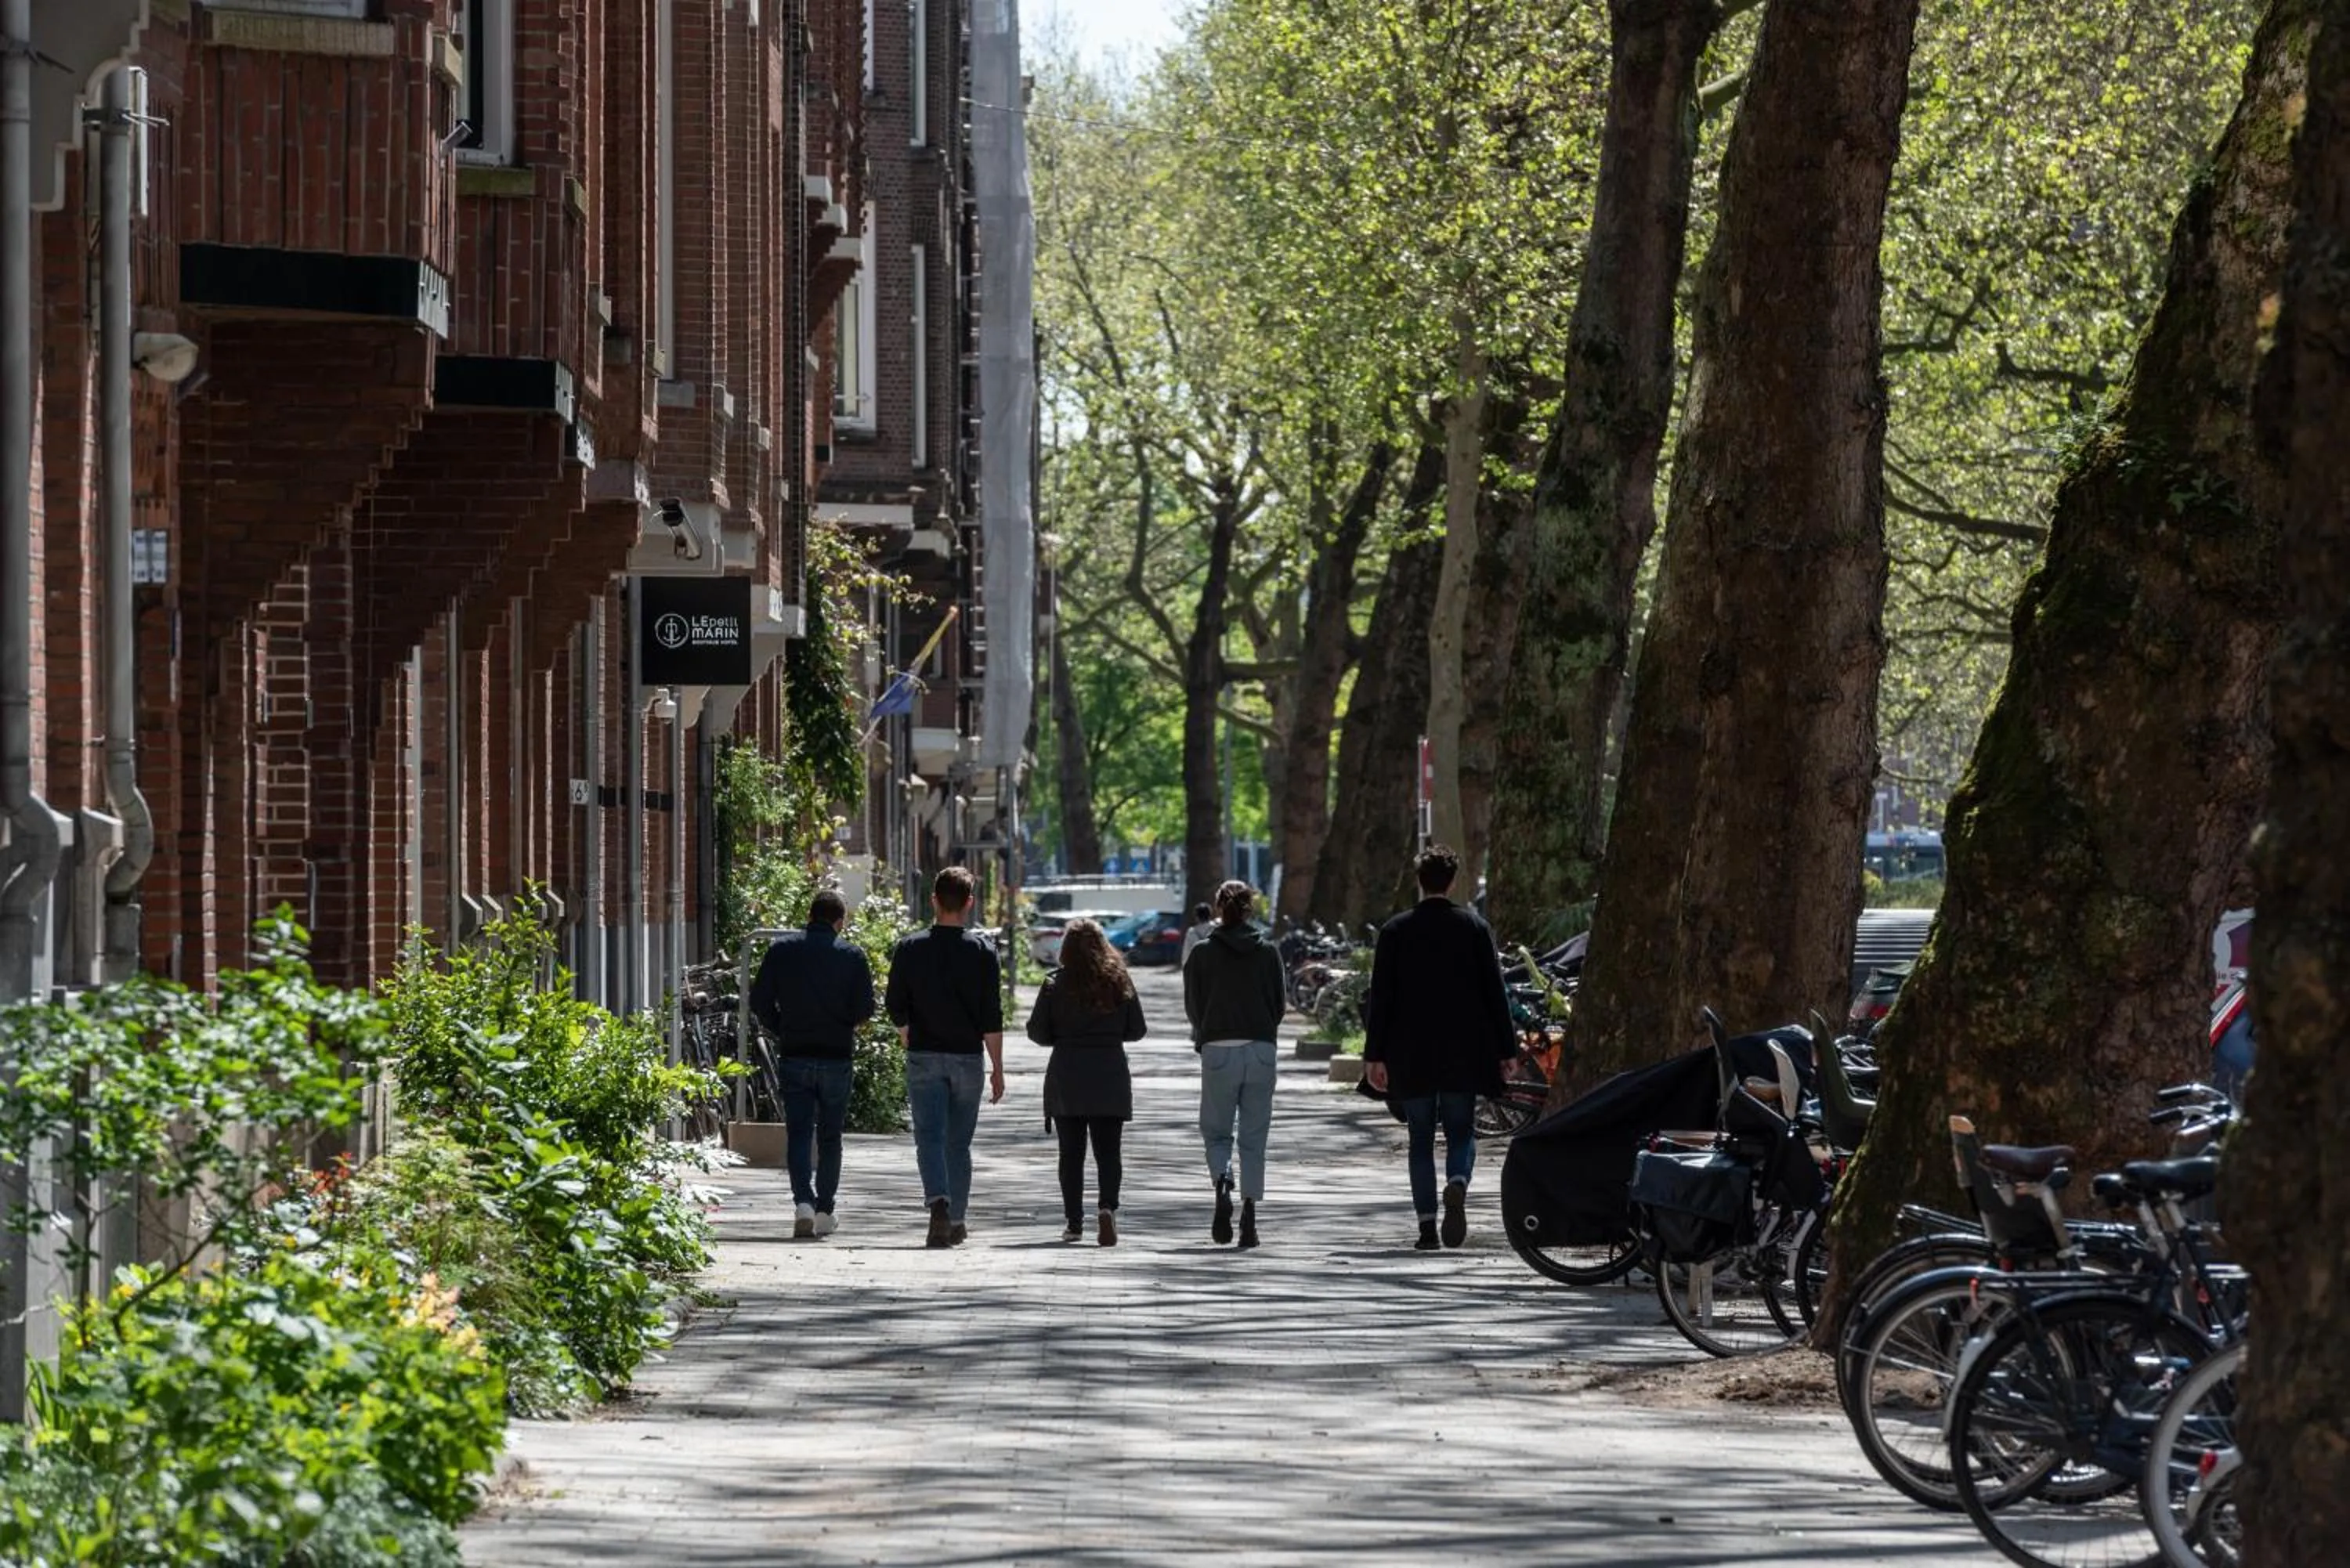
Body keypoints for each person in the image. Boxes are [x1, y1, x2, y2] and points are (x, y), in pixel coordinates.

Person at [1362, 844, 1517, 1251]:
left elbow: (1381, 999)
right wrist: (1507, 1050)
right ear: (1452, 882)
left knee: (1420, 1138)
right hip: (1463, 1050)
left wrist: (1374, 1055)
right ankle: (1458, 1182)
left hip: (1410, 1052)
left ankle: (1427, 1227)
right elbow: (1495, 993)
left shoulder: (1395, 931)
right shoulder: (1475, 928)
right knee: (1461, 1129)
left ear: (1420, 880)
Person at [884, 866, 1007, 1248]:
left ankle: (938, 1202)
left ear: (934, 900)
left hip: (924, 1054)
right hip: (967, 1058)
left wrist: (905, 1029)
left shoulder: (910, 947)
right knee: (958, 1143)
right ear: (969, 902)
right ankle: (956, 1220)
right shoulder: (983, 951)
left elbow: (894, 1001)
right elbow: (991, 1015)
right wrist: (998, 1068)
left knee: (929, 1138)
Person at [747, 888, 877, 1241]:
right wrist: (843, 1024)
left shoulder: (782, 950)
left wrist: (782, 1028)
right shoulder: (853, 956)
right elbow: (866, 1008)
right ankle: (824, 1210)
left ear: (809, 916)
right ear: (840, 922)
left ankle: (803, 1203)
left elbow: (760, 1001)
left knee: (800, 1133)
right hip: (836, 1055)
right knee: (831, 1136)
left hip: (796, 1052)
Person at [1025, 919, 1148, 1245]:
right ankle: (1107, 1208)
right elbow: (1137, 1029)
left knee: (1071, 1154)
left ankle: (1074, 1223)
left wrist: (1063, 1035)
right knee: (1109, 1152)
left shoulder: (1054, 984)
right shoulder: (1118, 981)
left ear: (1066, 949)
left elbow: (1037, 1032)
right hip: (1109, 1073)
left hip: (1068, 1075)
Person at [1182, 880, 1285, 1249]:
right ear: (1249, 908)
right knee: (1254, 1137)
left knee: (1216, 1131)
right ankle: (1250, 1218)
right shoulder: (1268, 952)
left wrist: (1206, 1031)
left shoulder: (1202, 954)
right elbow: (1279, 1005)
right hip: (1260, 1048)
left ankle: (1223, 1179)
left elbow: (1193, 1005)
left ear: (1218, 908)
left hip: (1218, 1047)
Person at [1180, 901, 1215, 967]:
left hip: (1197, 967)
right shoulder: (1215, 930)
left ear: (1197, 917)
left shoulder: (1192, 932)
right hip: (1212, 966)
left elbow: (1186, 953)